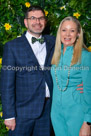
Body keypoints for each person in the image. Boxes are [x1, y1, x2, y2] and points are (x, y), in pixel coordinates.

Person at [1, 6, 55, 136]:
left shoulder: (53, 41)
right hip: (22, 113)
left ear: (45, 21)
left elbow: (74, 56)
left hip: (48, 110)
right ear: (26, 22)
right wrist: (9, 115)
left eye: (41, 18)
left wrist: (79, 84)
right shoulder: (12, 46)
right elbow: (6, 84)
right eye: (33, 18)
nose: (37, 22)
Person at [51, 16, 91, 136]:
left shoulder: (85, 56)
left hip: (77, 112)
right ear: (59, 33)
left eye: (72, 30)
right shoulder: (55, 54)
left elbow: (89, 89)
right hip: (56, 112)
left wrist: (87, 122)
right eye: (64, 30)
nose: (67, 34)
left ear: (78, 34)